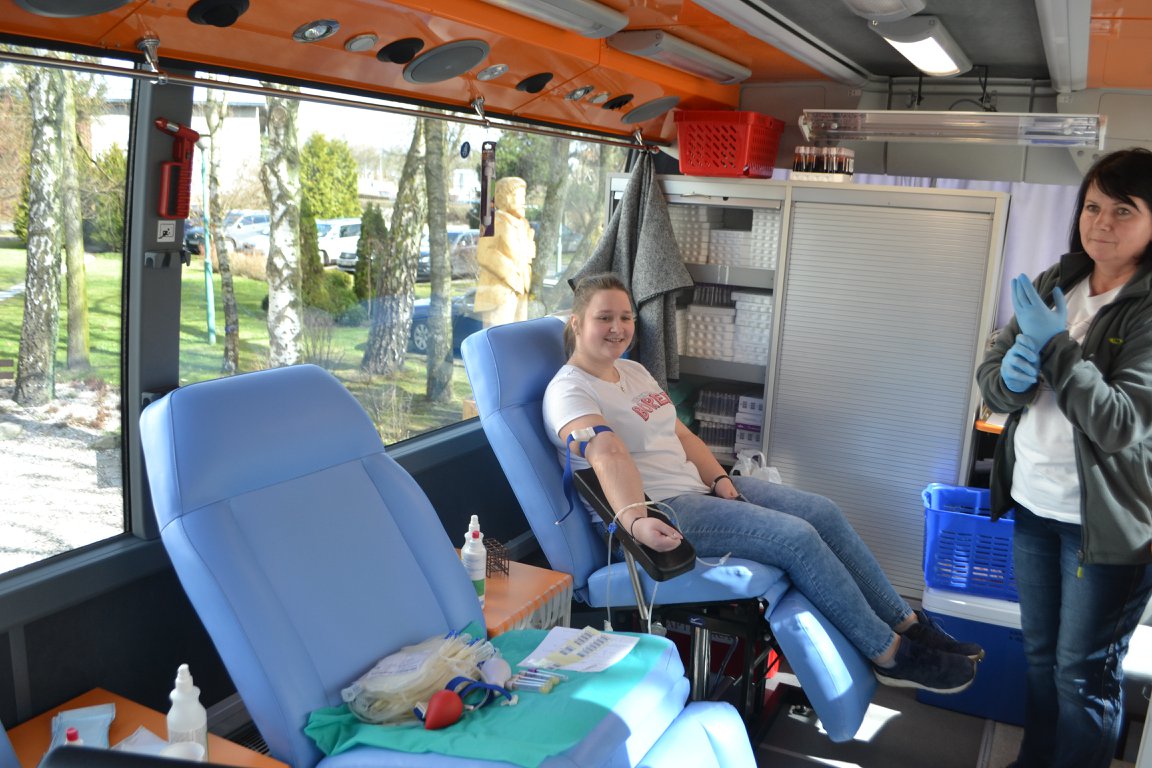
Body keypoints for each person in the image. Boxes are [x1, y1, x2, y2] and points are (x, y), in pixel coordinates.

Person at [543, 272, 983, 694]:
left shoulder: (634, 372)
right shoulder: (569, 390)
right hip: (659, 509)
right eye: (605, 317)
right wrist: (636, 522)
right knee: (796, 537)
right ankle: (889, 654)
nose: (618, 328)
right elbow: (607, 452)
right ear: (577, 323)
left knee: (821, 511)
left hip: (697, 489)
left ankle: (908, 624)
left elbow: (682, 436)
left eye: (625, 317)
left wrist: (718, 478)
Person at [976, 147, 1152, 768]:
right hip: (1033, 503)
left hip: (1101, 528)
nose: (1100, 222)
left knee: (1083, 676)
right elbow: (992, 375)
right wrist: (1011, 378)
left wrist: (1054, 347)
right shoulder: (1060, 279)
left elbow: (1119, 424)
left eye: (1123, 210)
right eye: (1092, 206)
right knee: (1040, 657)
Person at [475, 176, 535, 327]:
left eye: (524, 196)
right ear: (505, 198)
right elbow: (484, 253)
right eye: (519, 196)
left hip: (521, 289)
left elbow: (526, 255)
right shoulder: (491, 222)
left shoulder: (524, 224)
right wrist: (509, 272)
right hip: (499, 292)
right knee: (499, 334)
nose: (523, 201)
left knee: (520, 334)